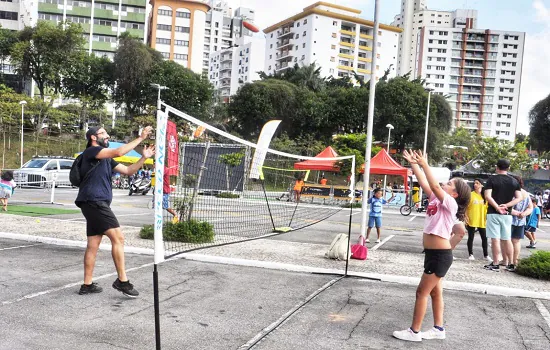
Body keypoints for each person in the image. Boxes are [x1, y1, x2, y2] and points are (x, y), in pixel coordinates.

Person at [393, 150, 470, 342]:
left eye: (449, 183)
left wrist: (425, 163)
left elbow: (435, 185)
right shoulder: (437, 199)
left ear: (455, 193)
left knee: (422, 292)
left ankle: (414, 332)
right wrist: (414, 165)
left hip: (439, 255)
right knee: (435, 292)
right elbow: (426, 184)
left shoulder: (450, 203)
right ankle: (438, 329)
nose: (446, 183)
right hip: (434, 254)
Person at [76, 126, 155, 297]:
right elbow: (119, 151)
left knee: (93, 244)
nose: (107, 135)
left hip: (93, 202)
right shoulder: (91, 152)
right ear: (93, 138)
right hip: (94, 201)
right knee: (118, 238)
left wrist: (143, 157)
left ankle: (87, 285)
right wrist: (140, 138)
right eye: (103, 133)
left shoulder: (106, 158)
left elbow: (128, 171)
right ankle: (122, 281)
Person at [483, 159, 522, 272]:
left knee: (495, 238)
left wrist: (497, 207)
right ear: (508, 168)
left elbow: (488, 196)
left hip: (493, 212)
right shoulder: (514, 181)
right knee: (506, 238)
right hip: (507, 214)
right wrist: (507, 205)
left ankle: (495, 263)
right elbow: (519, 198)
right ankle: (510, 263)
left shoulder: (491, 179)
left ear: (497, 167)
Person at [509, 175, 532, 271]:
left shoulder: (512, 193)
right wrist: (524, 214)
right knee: (517, 241)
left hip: (510, 219)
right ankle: (515, 261)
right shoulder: (526, 193)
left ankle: (508, 261)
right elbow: (530, 207)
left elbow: (507, 207)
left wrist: (516, 213)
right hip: (521, 221)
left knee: (507, 240)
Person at [465, 179, 490, 261]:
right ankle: (470, 254)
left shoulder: (485, 196)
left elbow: (487, 208)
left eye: (477, 183)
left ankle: (486, 255)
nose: (475, 184)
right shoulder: (470, 195)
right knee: (471, 237)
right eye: (474, 183)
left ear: (482, 185)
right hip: (472, 219)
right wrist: (466, 216)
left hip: (482, 220)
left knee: (484, 238)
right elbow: (465, 207)